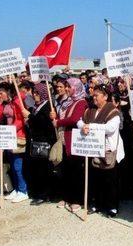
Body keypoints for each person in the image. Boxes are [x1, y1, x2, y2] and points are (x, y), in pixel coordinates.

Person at [79, 83, 124, 217]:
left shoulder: (113, 111)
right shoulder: (90, 110)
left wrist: (90, 126)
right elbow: (79, 121)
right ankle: (98, 203)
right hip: (94, 149)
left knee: (110, 180)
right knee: (96, 179)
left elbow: (110, 128)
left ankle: (112, 206)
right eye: (93, 95)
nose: (94, 98)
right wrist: (83, 126)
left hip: (109, 150)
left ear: (105, 97)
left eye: (97, 95)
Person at [50, 78, 88, 211]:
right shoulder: (70, 102)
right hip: (66, 140)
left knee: (76, 172)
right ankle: (67, 197)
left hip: (75, 142)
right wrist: (55, 117)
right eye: (65, 86)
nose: (66, 89)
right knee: (66, 171)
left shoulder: (82, 102)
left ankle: (77, 199)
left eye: (68, 87)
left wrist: (59, 122)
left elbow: (74, 119)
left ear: (76, 87)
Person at [0, 83, 29, 203]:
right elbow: (0, 117)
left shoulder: (17, 100)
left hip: (18, 135)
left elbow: (20, 119)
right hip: (9, 136)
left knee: (18, 166)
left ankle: (23, 190)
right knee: (12, 165)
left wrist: (10, 130)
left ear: (8, 91)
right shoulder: (5, 103)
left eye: (1, 93)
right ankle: (17, 189)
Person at [25, 82, 57, 205]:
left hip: (45, 142)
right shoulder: (35, 106)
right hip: (36, 141)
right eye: (34, 93)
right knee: (38, 169)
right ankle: (40, 192)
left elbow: (45, 124)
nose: (35, 95)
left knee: (44, 170)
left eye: (37, 93)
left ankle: (45, 194)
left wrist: (30, 117)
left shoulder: (48, 106)